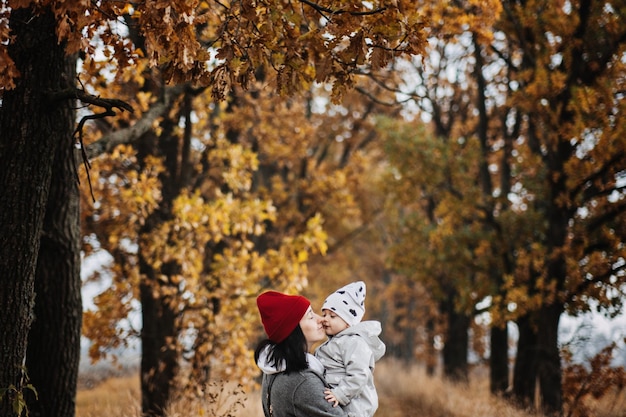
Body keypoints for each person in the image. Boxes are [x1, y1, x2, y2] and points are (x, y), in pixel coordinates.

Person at [254, 290, 348, 417]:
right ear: (293, 331)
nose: (321, 319)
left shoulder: (272, 370)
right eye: (311, 316)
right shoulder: (303, 381)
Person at [315, 281, 386, 417]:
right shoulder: (336, 342)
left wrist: (340, 394)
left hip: (353, 407)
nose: (325, 319)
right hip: (338, 404)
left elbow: (359, 374)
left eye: (332, 316)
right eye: (324, 315)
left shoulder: (354, 342)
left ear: (348, 322)